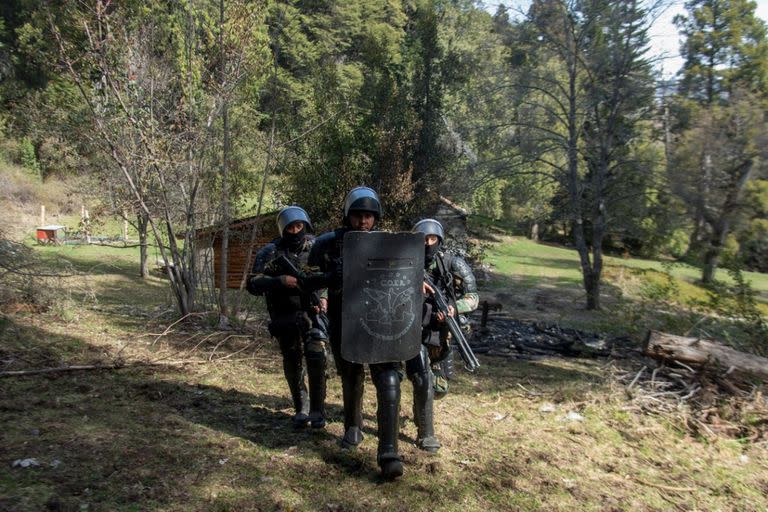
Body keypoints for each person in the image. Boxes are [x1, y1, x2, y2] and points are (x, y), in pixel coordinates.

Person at [308, 187, 405, 479]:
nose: (364, 221)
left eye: (369, 216)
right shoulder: (327, 243)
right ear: (348, 216)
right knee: (350, 372)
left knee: (388, 376)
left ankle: (389, 450)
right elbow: (306, 278)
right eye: (358, 216)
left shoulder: (390, 244)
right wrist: (329, 277)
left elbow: (407, 271)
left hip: (381, 318)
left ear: (376, 218)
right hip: (343, 318)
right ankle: (353, 425)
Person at [246, 206, 328, 429]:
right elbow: (252, 283)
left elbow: (330, 275)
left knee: (316, 356)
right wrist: (279, 281)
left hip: (312, 312)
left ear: (306, 225)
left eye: (299, 226)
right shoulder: (271, 251)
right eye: (290, 227)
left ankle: (318, 411)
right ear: (283, 230)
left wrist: (325, 298)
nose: (295, 231)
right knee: (292, 360)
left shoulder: (317, 247)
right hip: (285, 314)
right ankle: (301, 406)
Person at [407, 218, 479, 451]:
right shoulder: (406, 263)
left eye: (433, 239)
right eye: (423, 240)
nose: (428, 244)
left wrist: (453, 308)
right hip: (414, 329)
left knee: (440, 388)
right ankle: (426, 435)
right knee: (422, 378)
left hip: (442, 332)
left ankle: (421, 408)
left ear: (439, 240)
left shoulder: (452, 264)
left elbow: (473, 297)